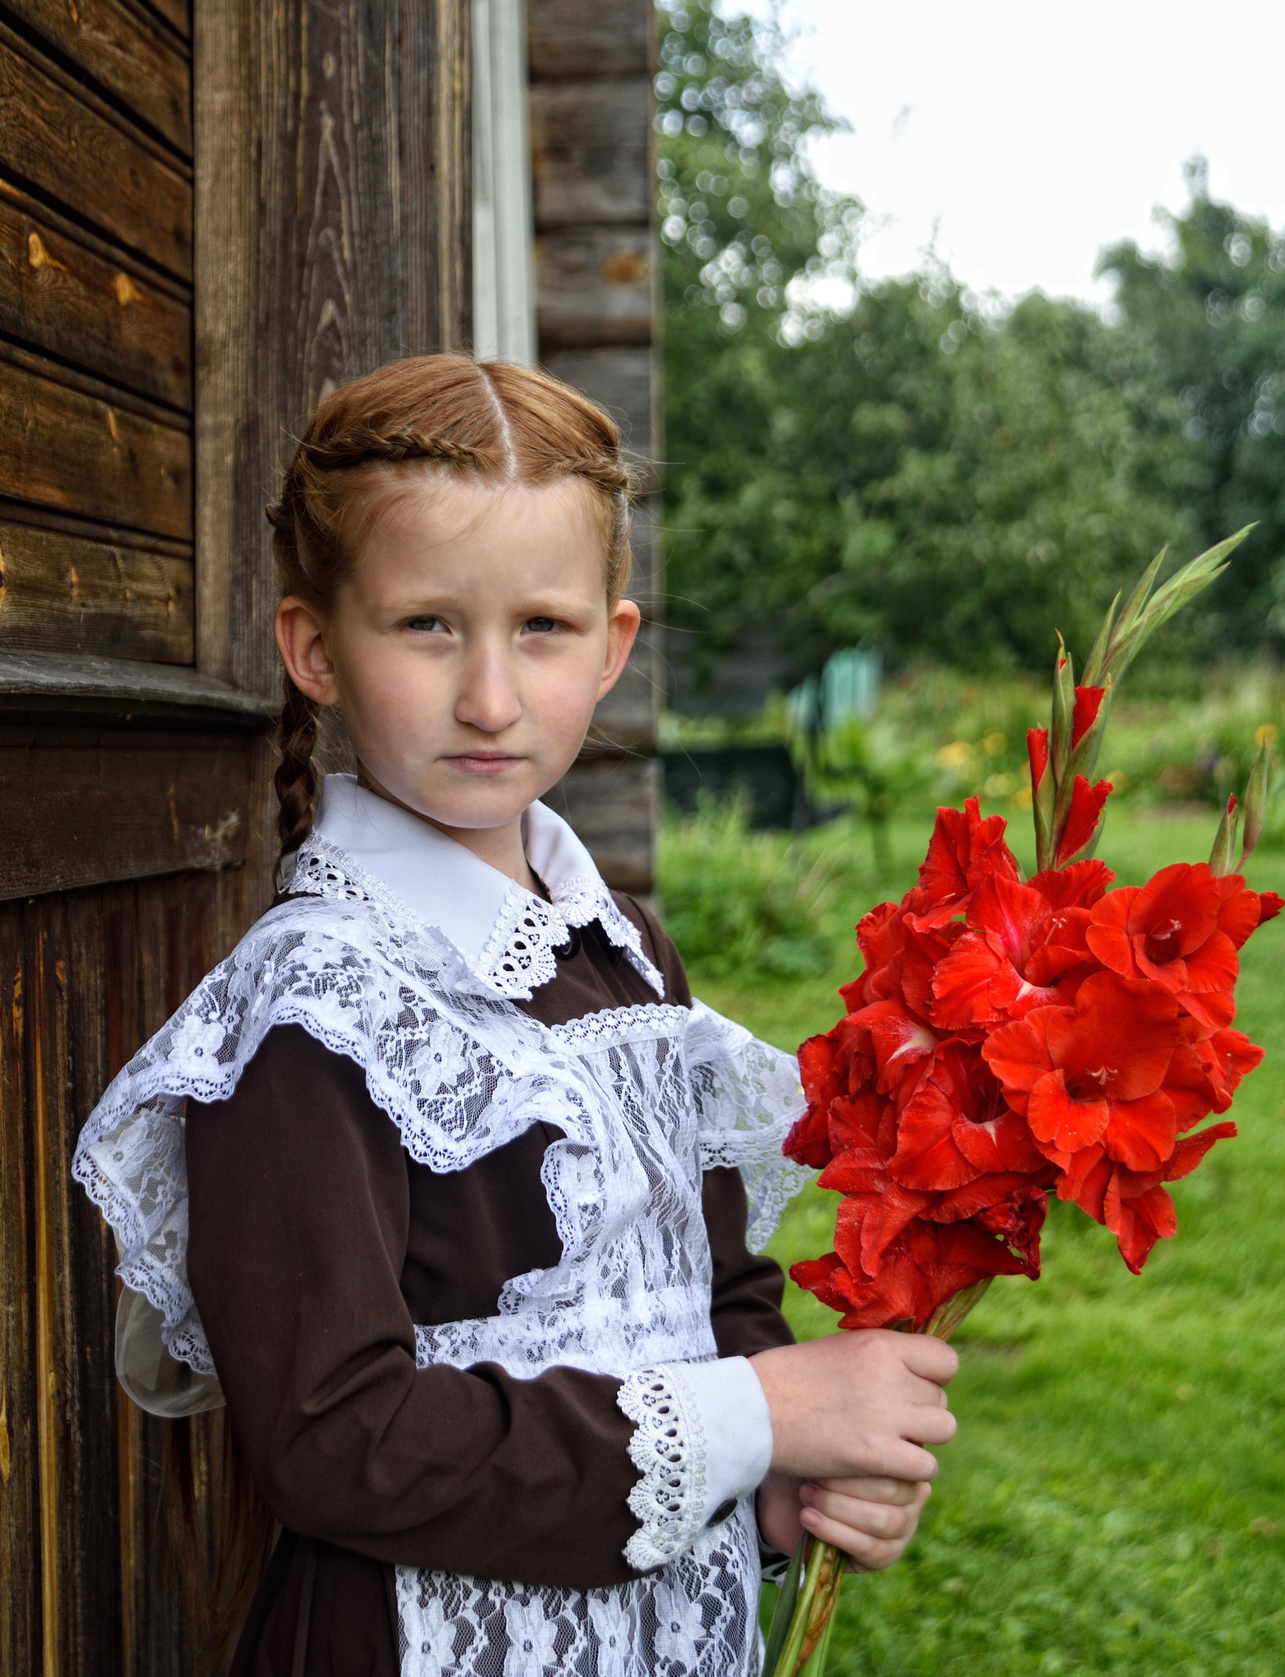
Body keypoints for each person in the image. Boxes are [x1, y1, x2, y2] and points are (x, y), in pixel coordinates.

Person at [73, 356, 958, 1676]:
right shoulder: (313, 1009)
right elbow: (335, 1438)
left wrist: (782, 1476)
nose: (489, 695)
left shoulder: (625, 949)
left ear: (613, 645)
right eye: (428, 624)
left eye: (540, 628)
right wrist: (754, 1412)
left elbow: (716, 1290)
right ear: (316, 647)